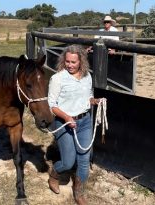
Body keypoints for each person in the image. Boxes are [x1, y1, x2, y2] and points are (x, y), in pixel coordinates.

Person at [47, 45, 101, 205]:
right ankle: (54, 174)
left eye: (73, 62)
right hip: (64, 123)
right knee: (68, 162)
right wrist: (66, 117)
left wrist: (94, 101)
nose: (69, 65)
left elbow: (88, 96)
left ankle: (79, 193)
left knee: (84, 159)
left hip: (84, 121)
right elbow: (52, 105)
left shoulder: (87, 76)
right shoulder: (57, 79)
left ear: (81, 62)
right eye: (67, 61)